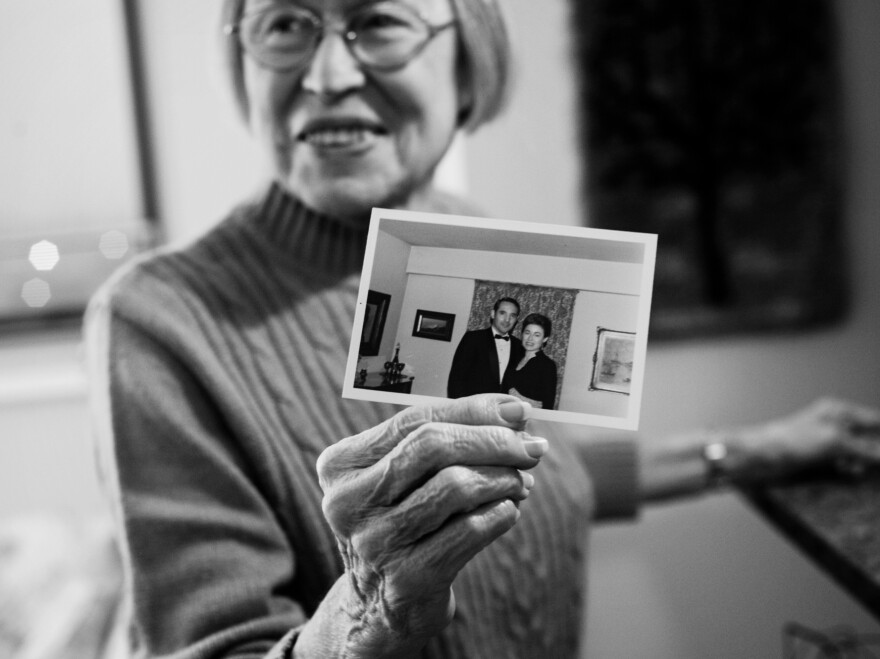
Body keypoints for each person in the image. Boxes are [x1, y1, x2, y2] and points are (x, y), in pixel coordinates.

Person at [83, 0, 880, 657]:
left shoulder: (471, 243)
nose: (325, 76)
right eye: (286, 24)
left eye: (379, 20)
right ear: (243, 61)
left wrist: (753, 449)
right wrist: (372, 604)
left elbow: (539, 475)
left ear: (469, 59)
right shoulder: (157, 322)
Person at [446, 296, 524, 399]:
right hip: (472, 407)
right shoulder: (473, 338)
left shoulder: (519, 346)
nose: (507, 320)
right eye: (502, 313)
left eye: (512, 316)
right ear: (493, 314)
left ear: (516, 320)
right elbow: (456, 379)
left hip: (504, 409)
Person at [508, 313, 558, 410]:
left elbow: (548, 404)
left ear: (545, 339)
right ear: (522, 334)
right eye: (527, 333)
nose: (530, 338)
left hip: (529, 419)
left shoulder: (547, 365)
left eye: (537, 335)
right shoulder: (514, 357)